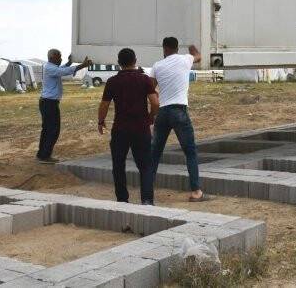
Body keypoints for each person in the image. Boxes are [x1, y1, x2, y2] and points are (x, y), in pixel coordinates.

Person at [149, 37, 211, 202]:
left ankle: (147, 190)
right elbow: (198, 56)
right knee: (190, 152)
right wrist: (193, 49)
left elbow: (150, 90)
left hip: (162, 112)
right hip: (179, 111)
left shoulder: (157, 66)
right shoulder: (185, 59)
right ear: (177, 48)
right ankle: (196, 192)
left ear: (164, 48)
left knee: (154, 153)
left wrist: (151, 115)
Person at [98, 48, 159, 205]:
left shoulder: (112, 81)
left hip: (120, 130)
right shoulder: (144, 79)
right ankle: (147, 200)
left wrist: (101, 121)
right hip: (141, 129)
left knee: (118, 165)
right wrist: (150, 118)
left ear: (119, 63)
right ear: (135, 60)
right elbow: (155, 102)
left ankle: (122, 199)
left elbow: (104, 104)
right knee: (145, 166)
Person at [36, 50, 88, 164]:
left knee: (47, 130)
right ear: (52, 58)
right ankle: (45, 156)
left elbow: (62, 69)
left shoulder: (51, 67)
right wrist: (82, 65)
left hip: (48, 103)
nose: (60, 59)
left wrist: (69, 63)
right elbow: (63, 71)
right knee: (53, 130)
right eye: (59, 57)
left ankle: (42, 154)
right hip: (49, 103)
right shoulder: (50, 68)